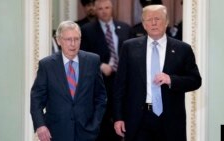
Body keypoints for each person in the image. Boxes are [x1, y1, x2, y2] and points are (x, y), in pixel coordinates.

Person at [113, 5, 201, 141]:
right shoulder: (129, 47)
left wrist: (171, 80)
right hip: (139, 119)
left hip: (170, 119)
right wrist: (118, 118)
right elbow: (119, 86)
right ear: (143, 24)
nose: (153, 23)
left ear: (166, 22)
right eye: (149, 19)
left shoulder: (183, 49)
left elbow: (195, 80)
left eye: (157, 19)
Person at [30, 21, 107, 141]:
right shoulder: (47, 65)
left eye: (76, 39)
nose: (73, 44)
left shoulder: (93, 61)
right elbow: (36, 99)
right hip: (56, 132)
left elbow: (101, 97)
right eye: (68, 39)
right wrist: (40, 125)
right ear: (59, 41)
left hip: (87, 132)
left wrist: (95, 124)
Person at [80, 0, 131, 140]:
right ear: (96, 10)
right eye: (100, 8)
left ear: (112, 8)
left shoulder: (125, 28)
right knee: (102, 126)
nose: (104, 11)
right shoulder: (87, 30)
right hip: (99, 84)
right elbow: (82, 57)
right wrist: (100, 65)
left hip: (122, 84)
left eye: (107, 7)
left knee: (121, 122)